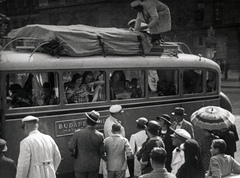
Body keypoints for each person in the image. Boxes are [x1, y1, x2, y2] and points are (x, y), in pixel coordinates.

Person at [68, 110, 105, 178]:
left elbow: (70, 147)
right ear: (96, 123)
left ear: (86, 121)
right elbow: (101, 151)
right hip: (94, 165)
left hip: (80, 164)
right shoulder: (100, 135)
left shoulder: (78, 133)